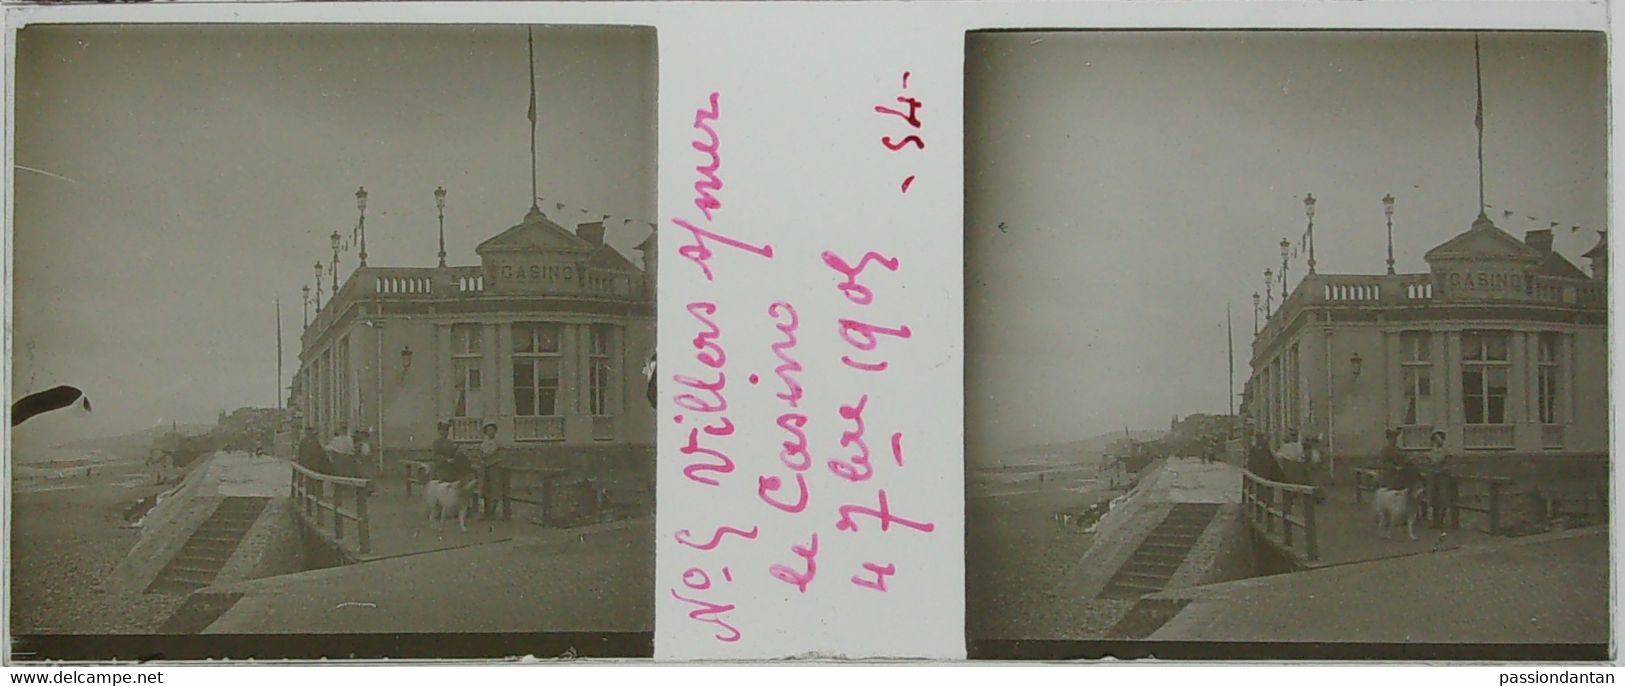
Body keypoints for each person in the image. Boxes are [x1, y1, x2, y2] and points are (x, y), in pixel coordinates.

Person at [476, 422, 510, 520]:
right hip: (484, 469)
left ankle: (493, 512)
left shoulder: (498, 443)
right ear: (486, 432)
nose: (490, 432)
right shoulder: (483, 443)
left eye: (492, 430)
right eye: (488, 430)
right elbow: (480, 456)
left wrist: (494, 459)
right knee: (484, 490)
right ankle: (485, 512)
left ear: (495, 431)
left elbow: (501, 456)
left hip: (495, 468)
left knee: (496, 490)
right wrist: (483, 460)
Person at [1420, 430, 1453, 528]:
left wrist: (1440, 470)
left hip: (1442, 478)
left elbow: (1448, 465)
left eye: (1439, 439)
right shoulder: (1431, 452)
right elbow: (1427, 464)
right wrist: (1429, 470)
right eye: (1435, 439)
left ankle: (1441, 521)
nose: (1437, 441)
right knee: (1432, 498)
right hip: (1432, 477)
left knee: (1443, 498)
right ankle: (1434, 521)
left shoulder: (1446, 452)